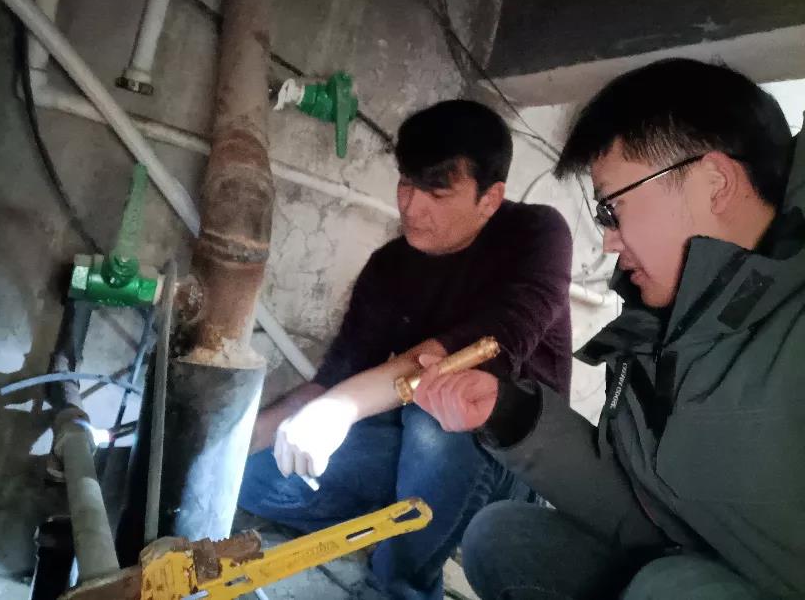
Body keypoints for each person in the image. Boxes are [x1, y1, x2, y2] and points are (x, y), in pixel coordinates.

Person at [412, 58, 804, 600]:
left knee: (668, 588)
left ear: (714, 184)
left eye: (613, 207)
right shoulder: (656, 327)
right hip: (693, 567)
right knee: (502, 536)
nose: (608, 241)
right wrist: (510, 413)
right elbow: (647, 518)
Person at [238, 99, 574, 599]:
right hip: (412, 453)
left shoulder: (537, 234)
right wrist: (233, 446)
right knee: (255, 479)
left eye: (437, 192)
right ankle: (418, 518)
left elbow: (473, 353)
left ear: (489, 198)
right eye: (406, 183)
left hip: (510, 462)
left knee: (437, 408)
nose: (411, 207)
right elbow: (331, 382)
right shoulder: (389, 267)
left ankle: (399, 585)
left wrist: (339, 408)